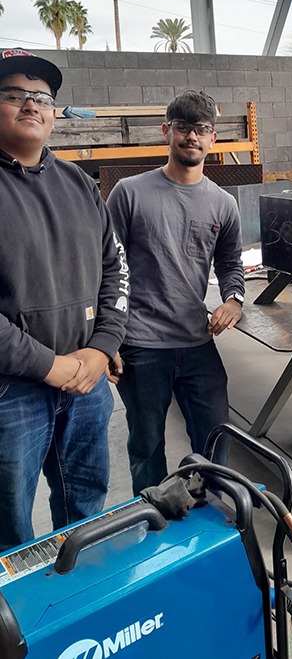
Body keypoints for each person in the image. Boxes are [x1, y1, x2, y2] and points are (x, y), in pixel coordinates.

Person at [0, 48, 129, 551]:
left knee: (86, 507)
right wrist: (47, 365)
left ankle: (81, 594)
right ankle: (22, 623)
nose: (30, 105)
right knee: (10, 520)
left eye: (41, 97)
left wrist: (101, 347)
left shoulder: (79, 183)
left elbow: (115, 269)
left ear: (54, 112)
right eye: (13, 94)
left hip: (86, 382)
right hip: (12, 392)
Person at [107, 90, 244, 495]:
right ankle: (153, 522)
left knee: (216, 437)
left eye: (202, 129)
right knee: (147, 447)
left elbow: (231, 263)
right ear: (167, 131)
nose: (192, 137)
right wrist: (107, 338)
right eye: (183, 127)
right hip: (140, 344)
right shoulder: (129, 194)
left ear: (212, 139)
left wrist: (234, 298)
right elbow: (107, 268)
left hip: (195, 340)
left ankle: (215, 510)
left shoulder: (223, 204)